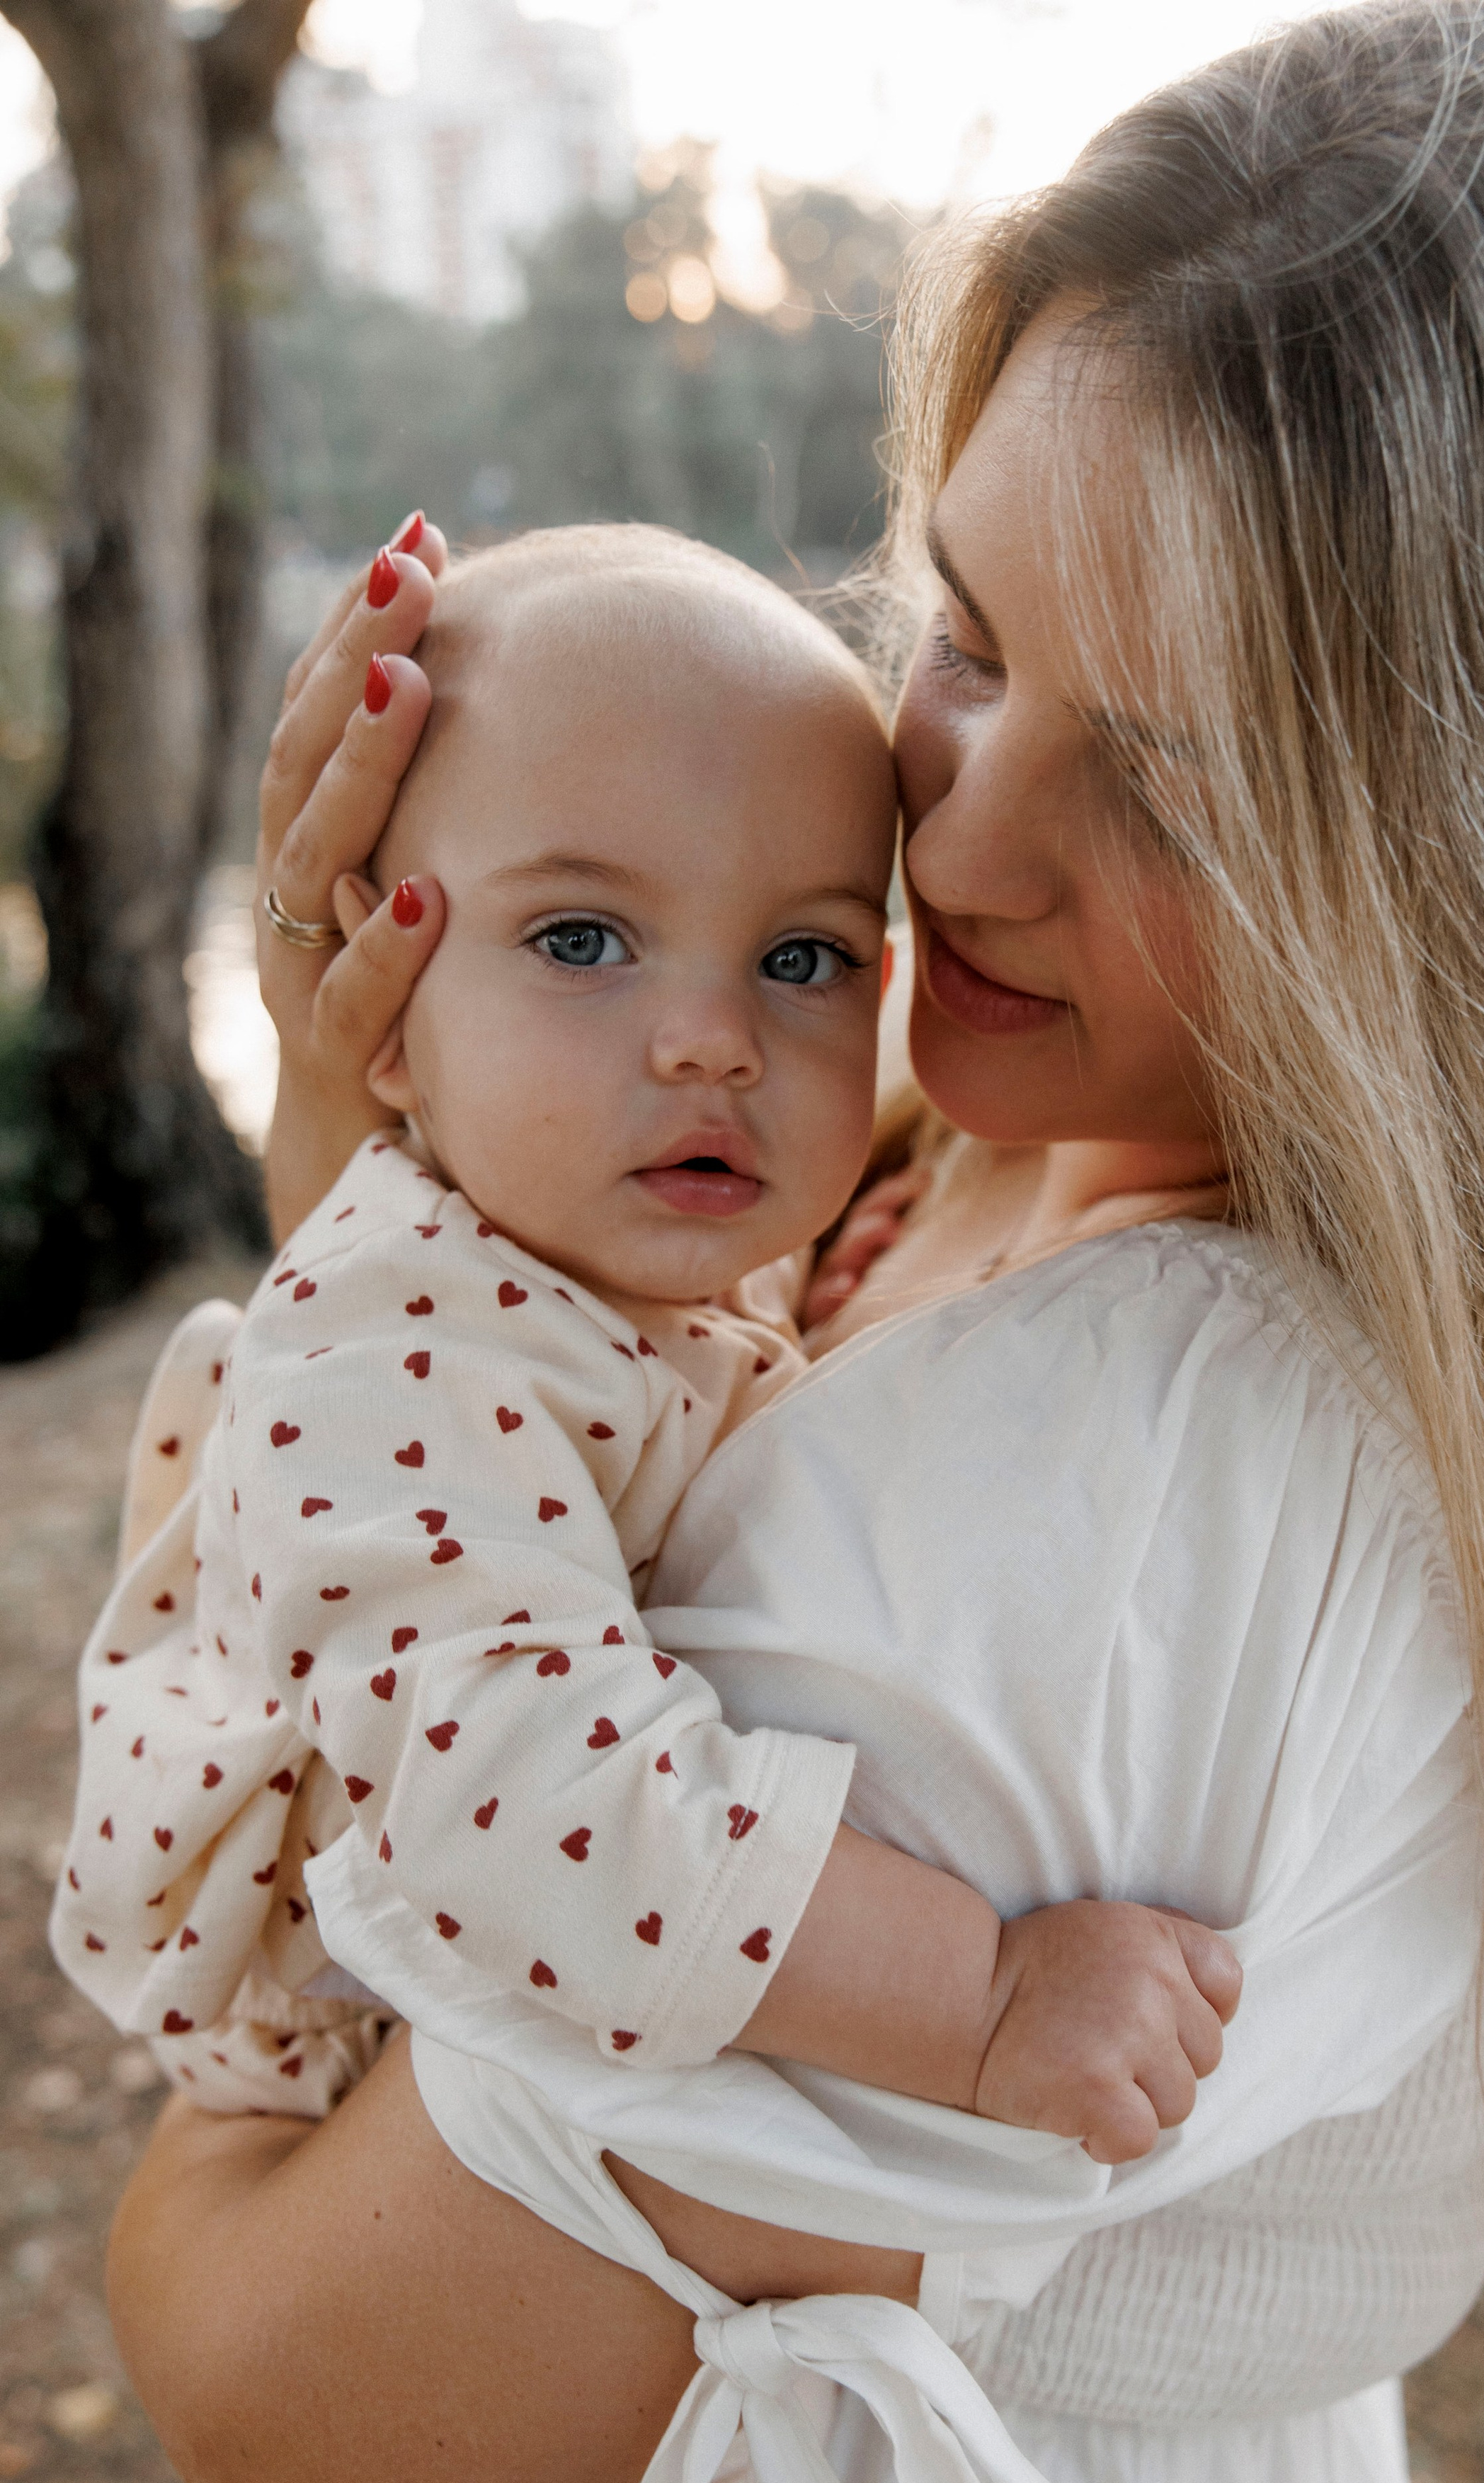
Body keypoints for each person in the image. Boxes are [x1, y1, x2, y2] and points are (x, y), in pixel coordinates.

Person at [99, 2, 1484, 2483]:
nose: (962, 843)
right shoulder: (939, 1176)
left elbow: (315, 2433)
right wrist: (408, 1205)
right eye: (974, 634)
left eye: (1192, 783)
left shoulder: (1129, 1479)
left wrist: (238, 2048)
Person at [55, 524, 1232, 2186]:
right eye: (582, 941)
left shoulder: (637, 1278)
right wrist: (980, 2000)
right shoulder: (393, 1353)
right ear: (381, 997)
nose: (709, 1038)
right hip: (351, 2058)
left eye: (801, 958)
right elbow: (532, 1815)